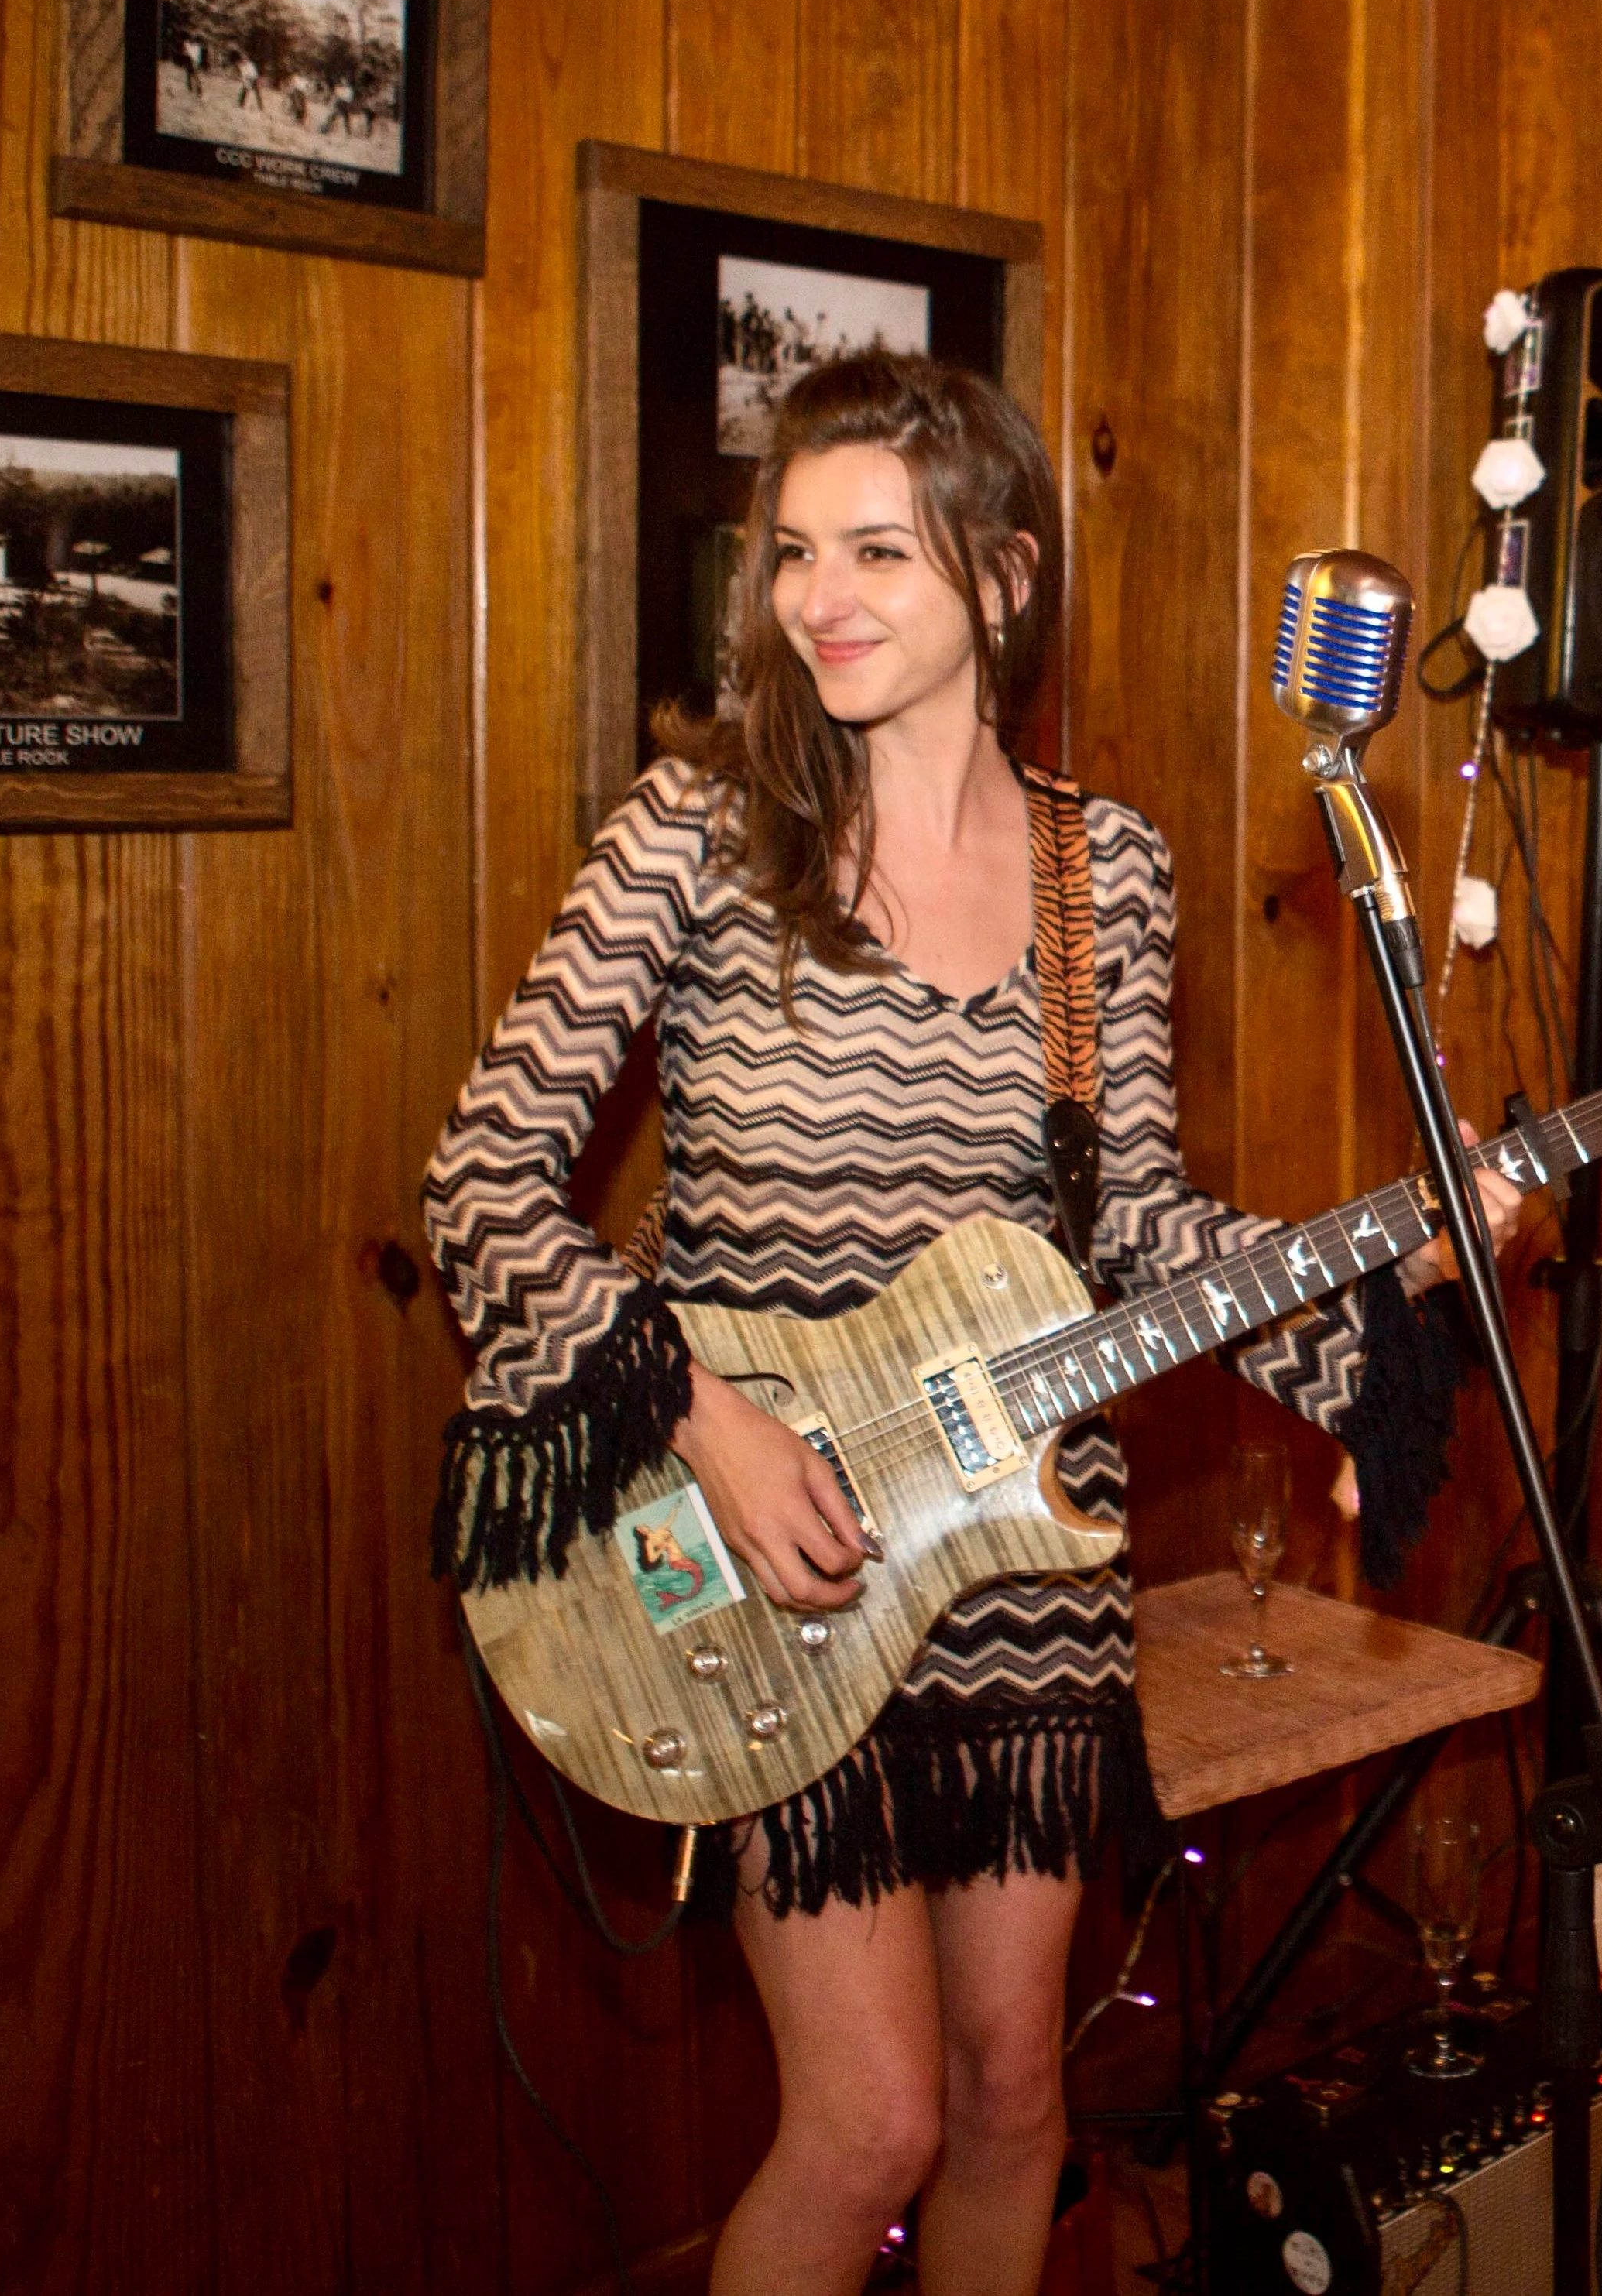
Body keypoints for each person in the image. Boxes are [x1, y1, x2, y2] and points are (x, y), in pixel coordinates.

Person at [422, 353, 1523, 2296]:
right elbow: (482, 1181)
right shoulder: (695, 831)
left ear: (1002, 582)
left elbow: (1134, 1227)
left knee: (1021, 2099)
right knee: (869, 2123)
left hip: (1015, 1563)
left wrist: (1396, 1262)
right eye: (790, 553)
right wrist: (705, 1415)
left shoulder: (1111, 874)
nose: (813, 596)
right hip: (767, 1554)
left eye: (873, 550)